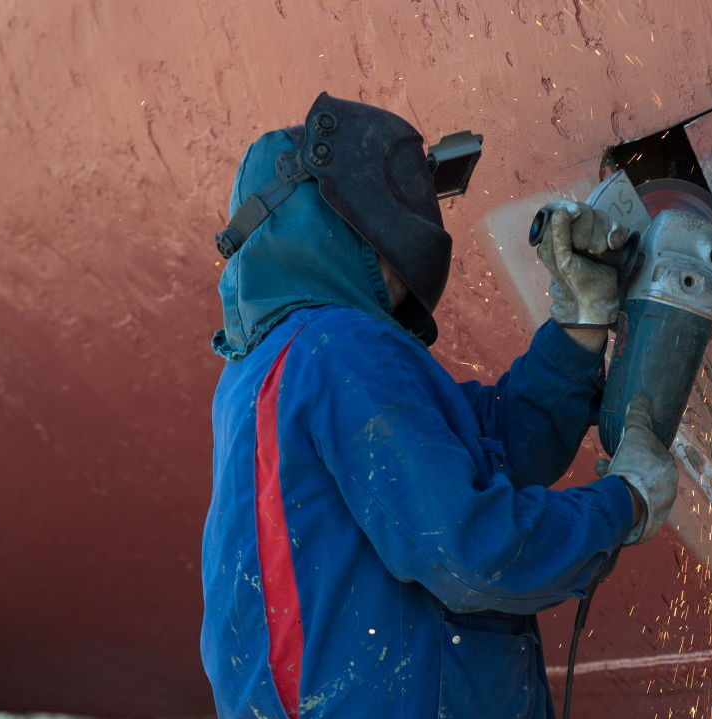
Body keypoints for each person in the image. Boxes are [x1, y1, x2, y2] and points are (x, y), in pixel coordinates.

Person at [201, 92, 678, 719]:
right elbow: (472, 553)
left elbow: (482, 451)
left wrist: (579, 327)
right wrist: (625, 503)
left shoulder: (266, 367)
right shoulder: (339, 349)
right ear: (348, 212)